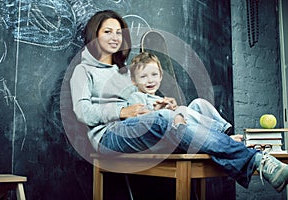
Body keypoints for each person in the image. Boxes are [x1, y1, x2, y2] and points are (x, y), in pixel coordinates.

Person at [70, 9, 288, 192]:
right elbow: (82, 111)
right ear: (94, 35)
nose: (115, 36)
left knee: (193, 106)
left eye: (119, 32)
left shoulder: (125, 73)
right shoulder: (83, 70)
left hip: (137, 131)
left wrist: (158, 104)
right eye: (107, 31)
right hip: (108, 137)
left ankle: (225, 140)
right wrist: (122, 112)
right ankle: (258, 160)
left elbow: (141, 103)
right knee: (169, 119)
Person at [128, 51, 244, 141]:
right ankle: (221, 137)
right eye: (143, 76)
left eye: (154, 74)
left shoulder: (161, 99)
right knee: (182, 110)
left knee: (198, 103)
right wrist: (157, 111)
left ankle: (224, 131)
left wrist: (172, 109)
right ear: (134, 80)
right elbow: (137, 122)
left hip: (180, 128)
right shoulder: (136, 96)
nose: (150, 80)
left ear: (161, 76)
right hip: (163, 136)